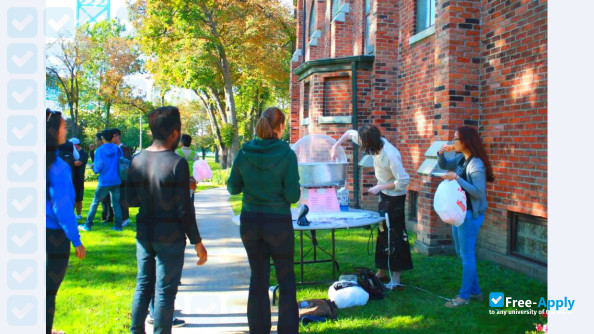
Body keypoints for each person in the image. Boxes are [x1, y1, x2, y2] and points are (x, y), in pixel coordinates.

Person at [127, 106, 207, 334]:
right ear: (174, 133)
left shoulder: (137, 159)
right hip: (170, 235)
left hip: (144, 233)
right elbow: (184, 210)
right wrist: (197, 242)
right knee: (164, 291)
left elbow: (130, 200)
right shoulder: (176, 163)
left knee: (143, 285)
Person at [227, 107, 300, 334]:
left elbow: (233, 187)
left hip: (251, 221)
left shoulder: (244, 152)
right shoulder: (287, 154)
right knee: (286, 277)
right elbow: (293, 196)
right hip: (277, 221)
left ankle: (258, 329)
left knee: (258, 277)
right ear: (280, 127)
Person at [331, 124, 413, 288]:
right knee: (382, 231)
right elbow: (348, 133)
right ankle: (381, 271)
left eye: (363, 143)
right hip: (384, 195)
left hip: (396, 198)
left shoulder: (391, 154)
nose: (361, 145)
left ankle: (396, 277)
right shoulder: (370, 141)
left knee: (395, 235)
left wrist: (380, 187)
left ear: (371, 141)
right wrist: (335, 146)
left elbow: (404, 181)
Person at [437, 126, 494, 307]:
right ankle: (475, 292)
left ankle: (463, 297)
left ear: (466, 141)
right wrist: (441, 153)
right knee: (462, 253)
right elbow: (445, 165)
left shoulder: (476, 164)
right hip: (460, 213)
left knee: (467, 255)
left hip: (470, 215)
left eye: (455, 139)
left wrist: (457, 179)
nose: (452, 142)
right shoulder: (462, 158)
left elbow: (478, 193)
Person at [46, 109, 87, 334]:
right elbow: (63, 209)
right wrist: (76, 240)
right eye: (63, 126)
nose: (66, 130)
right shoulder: (58, 167)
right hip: (53, 238)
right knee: (48, 292)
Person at [80, 129, 123, 231]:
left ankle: (88, 225)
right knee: (116, 204)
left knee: (95, 202)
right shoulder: (117, 149)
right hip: (116, 180)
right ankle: (118, 226)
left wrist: (93, 168)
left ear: (103, 138)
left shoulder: (100, 150)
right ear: (112, 137)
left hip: (104, 181)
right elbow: (121, 162)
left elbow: (98, 166)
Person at [111, 128, 133, 227]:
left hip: (123, 178)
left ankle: (125, 218)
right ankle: (120, 218)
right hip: (116, 177)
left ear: (117, 136)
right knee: (117, 199)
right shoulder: (115, 148)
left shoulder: (124, 149)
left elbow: (126, 164)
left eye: (113, 136)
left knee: (122, 198)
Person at [175, 134, 200, 201]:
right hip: (191, 179)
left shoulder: (177, 152)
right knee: (190, 198)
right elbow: (198, 168)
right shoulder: (194, 154)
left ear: (181, 142)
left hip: (180, 179)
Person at [70, 138, 89, 220]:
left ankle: (78, 214)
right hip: (71, 178)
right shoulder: (70, 153)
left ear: (76, 145)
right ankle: (71, 214)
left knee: (78, 198)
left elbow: (78, 163)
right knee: (71, 197)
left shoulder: (83, 153)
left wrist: (67, 161)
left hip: (79, 179)